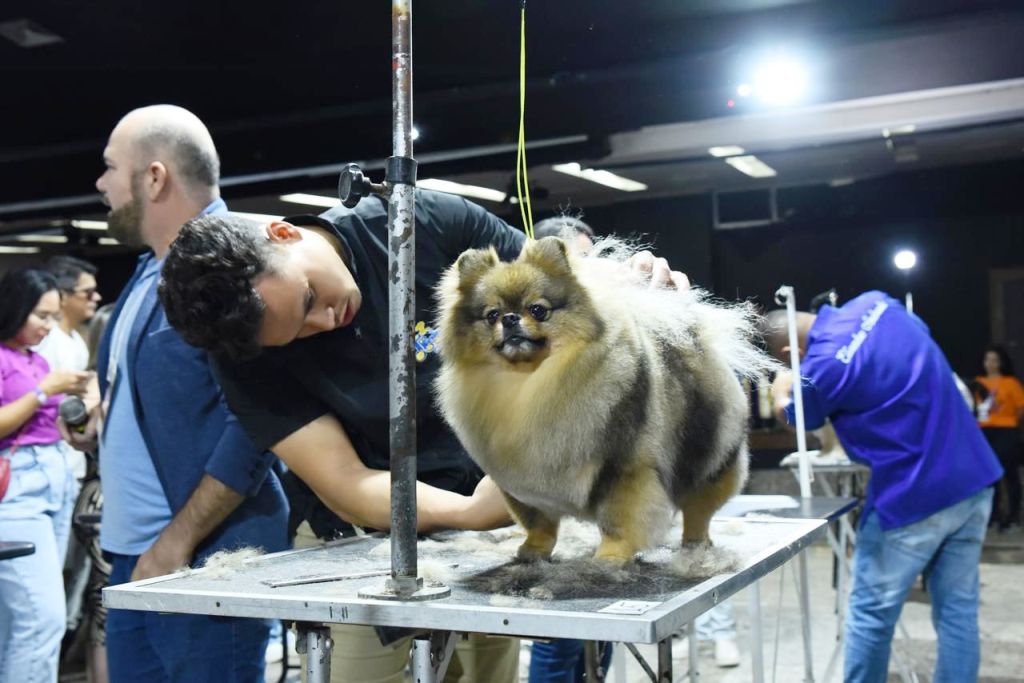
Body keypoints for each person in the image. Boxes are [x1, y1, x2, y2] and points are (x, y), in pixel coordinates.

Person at [158, 191, 687, 682]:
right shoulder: (242, 353)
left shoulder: (421, 225)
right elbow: (345, 482)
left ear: (283, 233)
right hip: (363, 544)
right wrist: (473, 511)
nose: (324, 321)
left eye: (309, 298)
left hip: (488, 527)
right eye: (295, 334)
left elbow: (557, 299)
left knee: (484, 669)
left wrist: (633, 292)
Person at [62, 104, 289, 683]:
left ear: (155, 177)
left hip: (199, 559)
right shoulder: (148, 271)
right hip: (133, 557)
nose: (101, 183)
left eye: (110, 168)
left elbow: (258, 423)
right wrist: (102, 417)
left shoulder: (234, 264)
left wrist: (175, 541)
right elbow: (152, 388)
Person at [764, 291, 1003, 683]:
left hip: (913, 496)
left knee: (870, 615)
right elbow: (913, 343)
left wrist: (780, 390)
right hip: (972, 478)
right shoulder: (878, 302)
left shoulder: (821, 369)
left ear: (792, 352)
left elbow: (796, 417)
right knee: (958, 611)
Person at [0, 268, 93, 683]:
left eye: (54, 317)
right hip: (17, 490)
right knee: (42, 619)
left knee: (19, 620)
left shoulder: (34, 359)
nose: (49, 326)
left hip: (54, 481)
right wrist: (45, 391)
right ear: (14, 308)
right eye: (41, 315)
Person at [975, 345, 1024, 531]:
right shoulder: (977, 382)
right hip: (983, 431)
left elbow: (1020, 408)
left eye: (995, 360)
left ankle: (1013, 517)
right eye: (987, 359)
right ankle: (992, 515)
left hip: (1006, 430)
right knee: (989, 476)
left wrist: (1010, 423)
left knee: (1009, 473)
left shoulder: (1011, 383)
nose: (990, 364)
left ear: (1001, 362)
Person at [36, 256, 102, 375]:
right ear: (63, 296)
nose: (97, 297)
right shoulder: (45, 339)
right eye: (88, 293)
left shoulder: (74, 336)